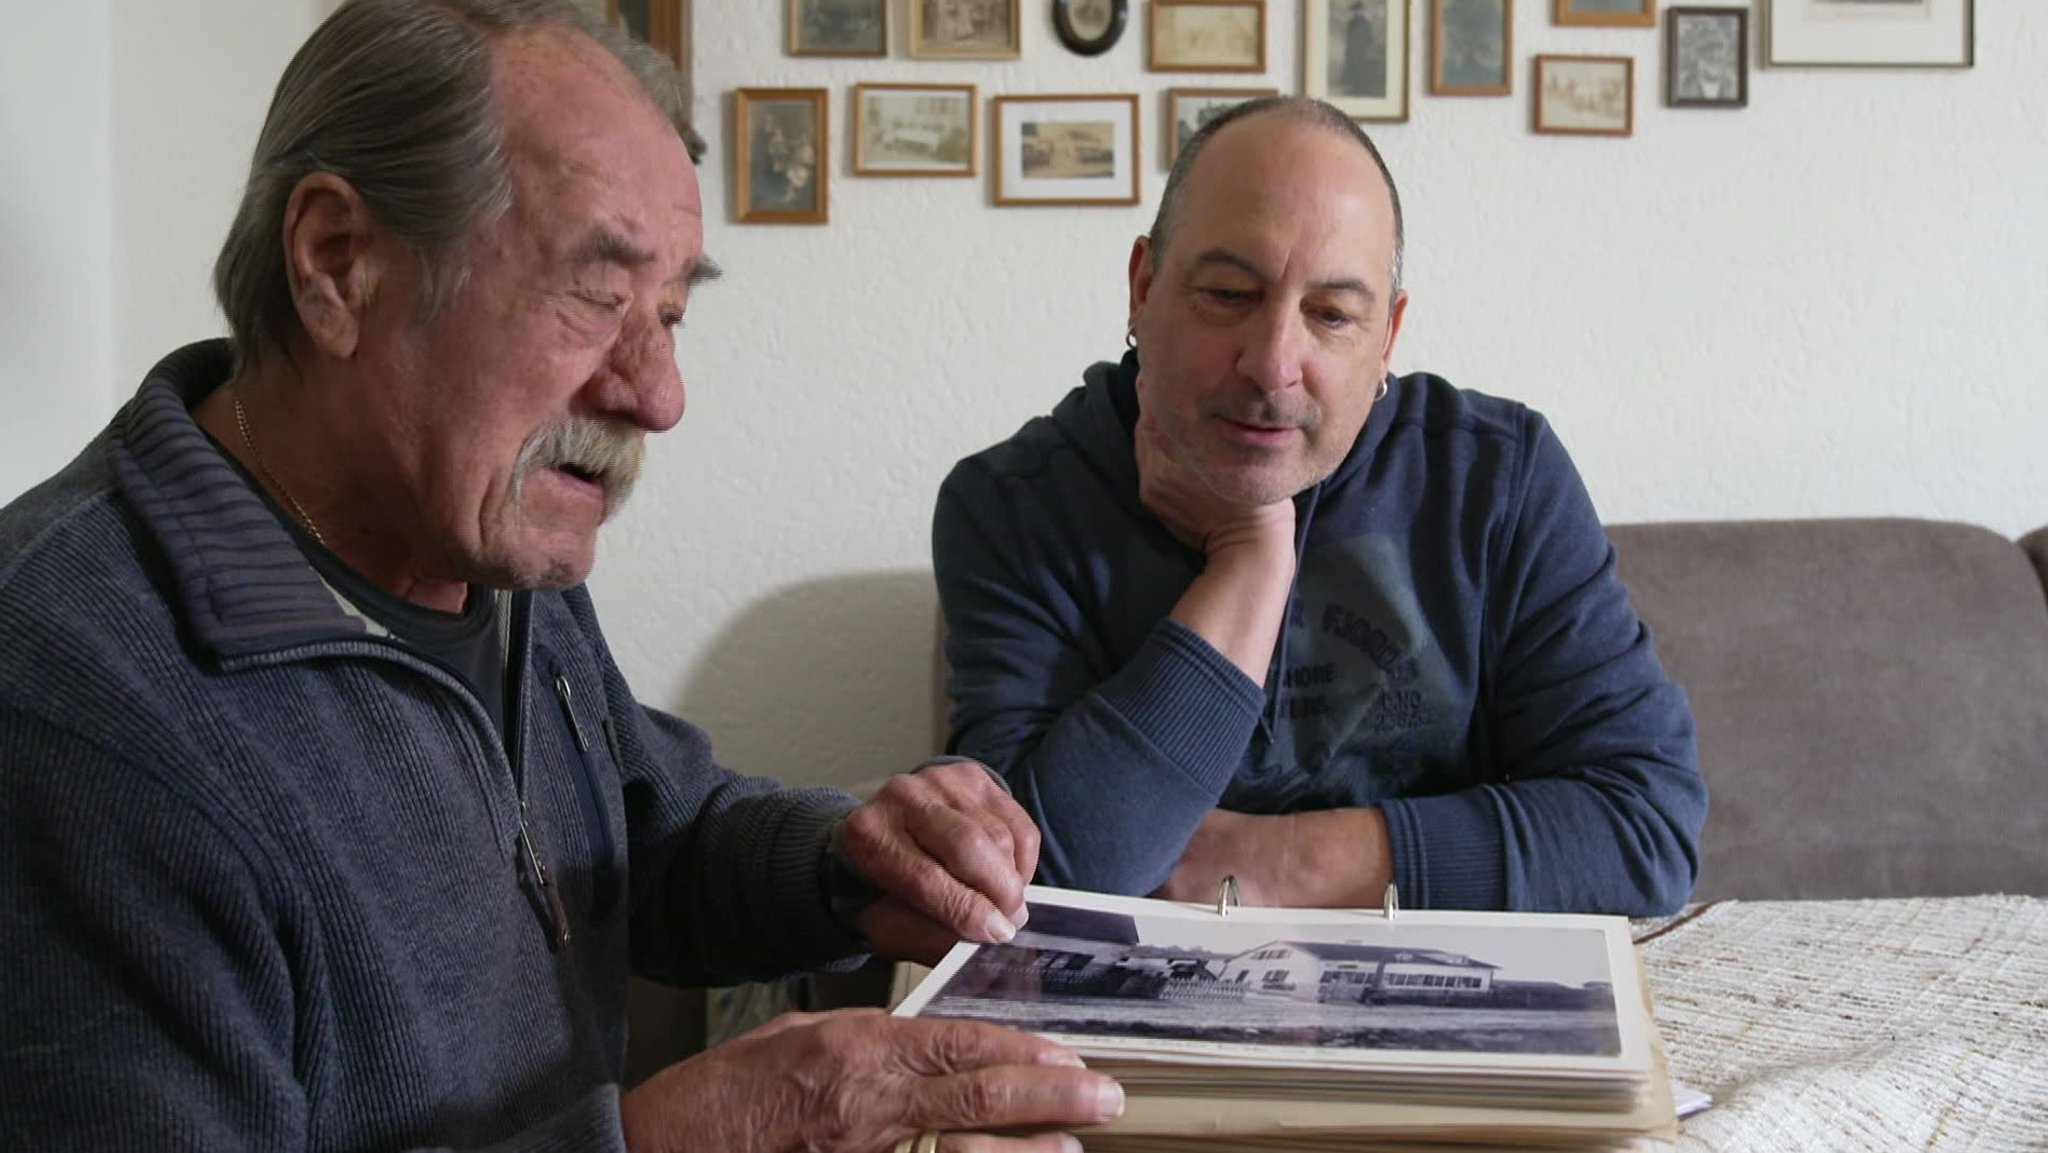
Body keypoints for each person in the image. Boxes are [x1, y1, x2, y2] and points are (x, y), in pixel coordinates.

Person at [0, 2, 1123, 1150]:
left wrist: (844, 867)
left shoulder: (478, 540)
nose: (658, 395)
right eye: (596, 296)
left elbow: (631, 845)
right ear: (340, 262)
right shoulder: (70, 704)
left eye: (672, 313)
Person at [932, 97, 1706, 918]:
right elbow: (1029, 883)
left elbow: (1645, 828)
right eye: (1229, 293)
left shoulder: (1497, 479)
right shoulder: (1012, 507)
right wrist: (1250, 553)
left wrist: (1280, 863)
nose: (1272, 365)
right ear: (1144, 287)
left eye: (1332, 314)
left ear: (1388, 337)